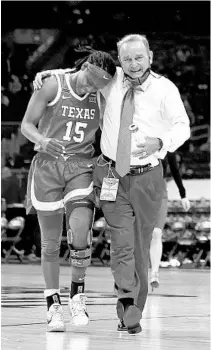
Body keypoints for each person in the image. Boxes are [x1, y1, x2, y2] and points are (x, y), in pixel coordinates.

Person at [33, 34, 190, 335]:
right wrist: (50, 75)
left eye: (139, 57)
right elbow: (82, 75)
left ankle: (136, 305)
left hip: (148, 176)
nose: (133, 63)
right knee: (122, 243)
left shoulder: (165, 89)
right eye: (127, 58)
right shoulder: (111, 78)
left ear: (150, 57)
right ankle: (126, 303)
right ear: (120, 59)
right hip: (111, 175)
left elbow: (182, 126)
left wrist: (161, 141)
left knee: (141, 247)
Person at [21, 50, 116, 332]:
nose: (91, 88)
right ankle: (52, 304)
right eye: (90, 80)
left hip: (81, 166)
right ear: (84, 66)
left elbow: (125, 77)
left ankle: (78, 293)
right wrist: (40, 139)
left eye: (98, 85)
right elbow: (27, 125)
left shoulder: (101, 92)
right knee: (50, 243)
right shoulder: (52, 84)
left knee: (80, 231)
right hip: (48, 166)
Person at [150, 151, 190, 290]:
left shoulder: (167, 144)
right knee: (140, 235)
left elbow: (174, 169)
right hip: (140, 189)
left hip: (160, 191)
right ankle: (134, 274)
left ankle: (154, 273)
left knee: (156, 232)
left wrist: (183, 195)